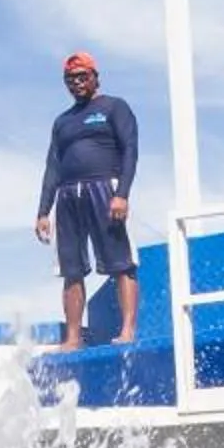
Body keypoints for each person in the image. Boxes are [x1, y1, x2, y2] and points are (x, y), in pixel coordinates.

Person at [32, 51, 138, 350]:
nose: (76, 83)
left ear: (95, 77)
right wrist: (43, 211)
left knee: (121, 263)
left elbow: (130, 149)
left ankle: (128, 329)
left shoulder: (114, 107)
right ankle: (73, 337)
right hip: (68, 195)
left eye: (82, 77)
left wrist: (122, 194)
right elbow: (52, 166)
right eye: (70, 79)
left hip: (105, 189)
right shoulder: (62, 121)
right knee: (71, 269)